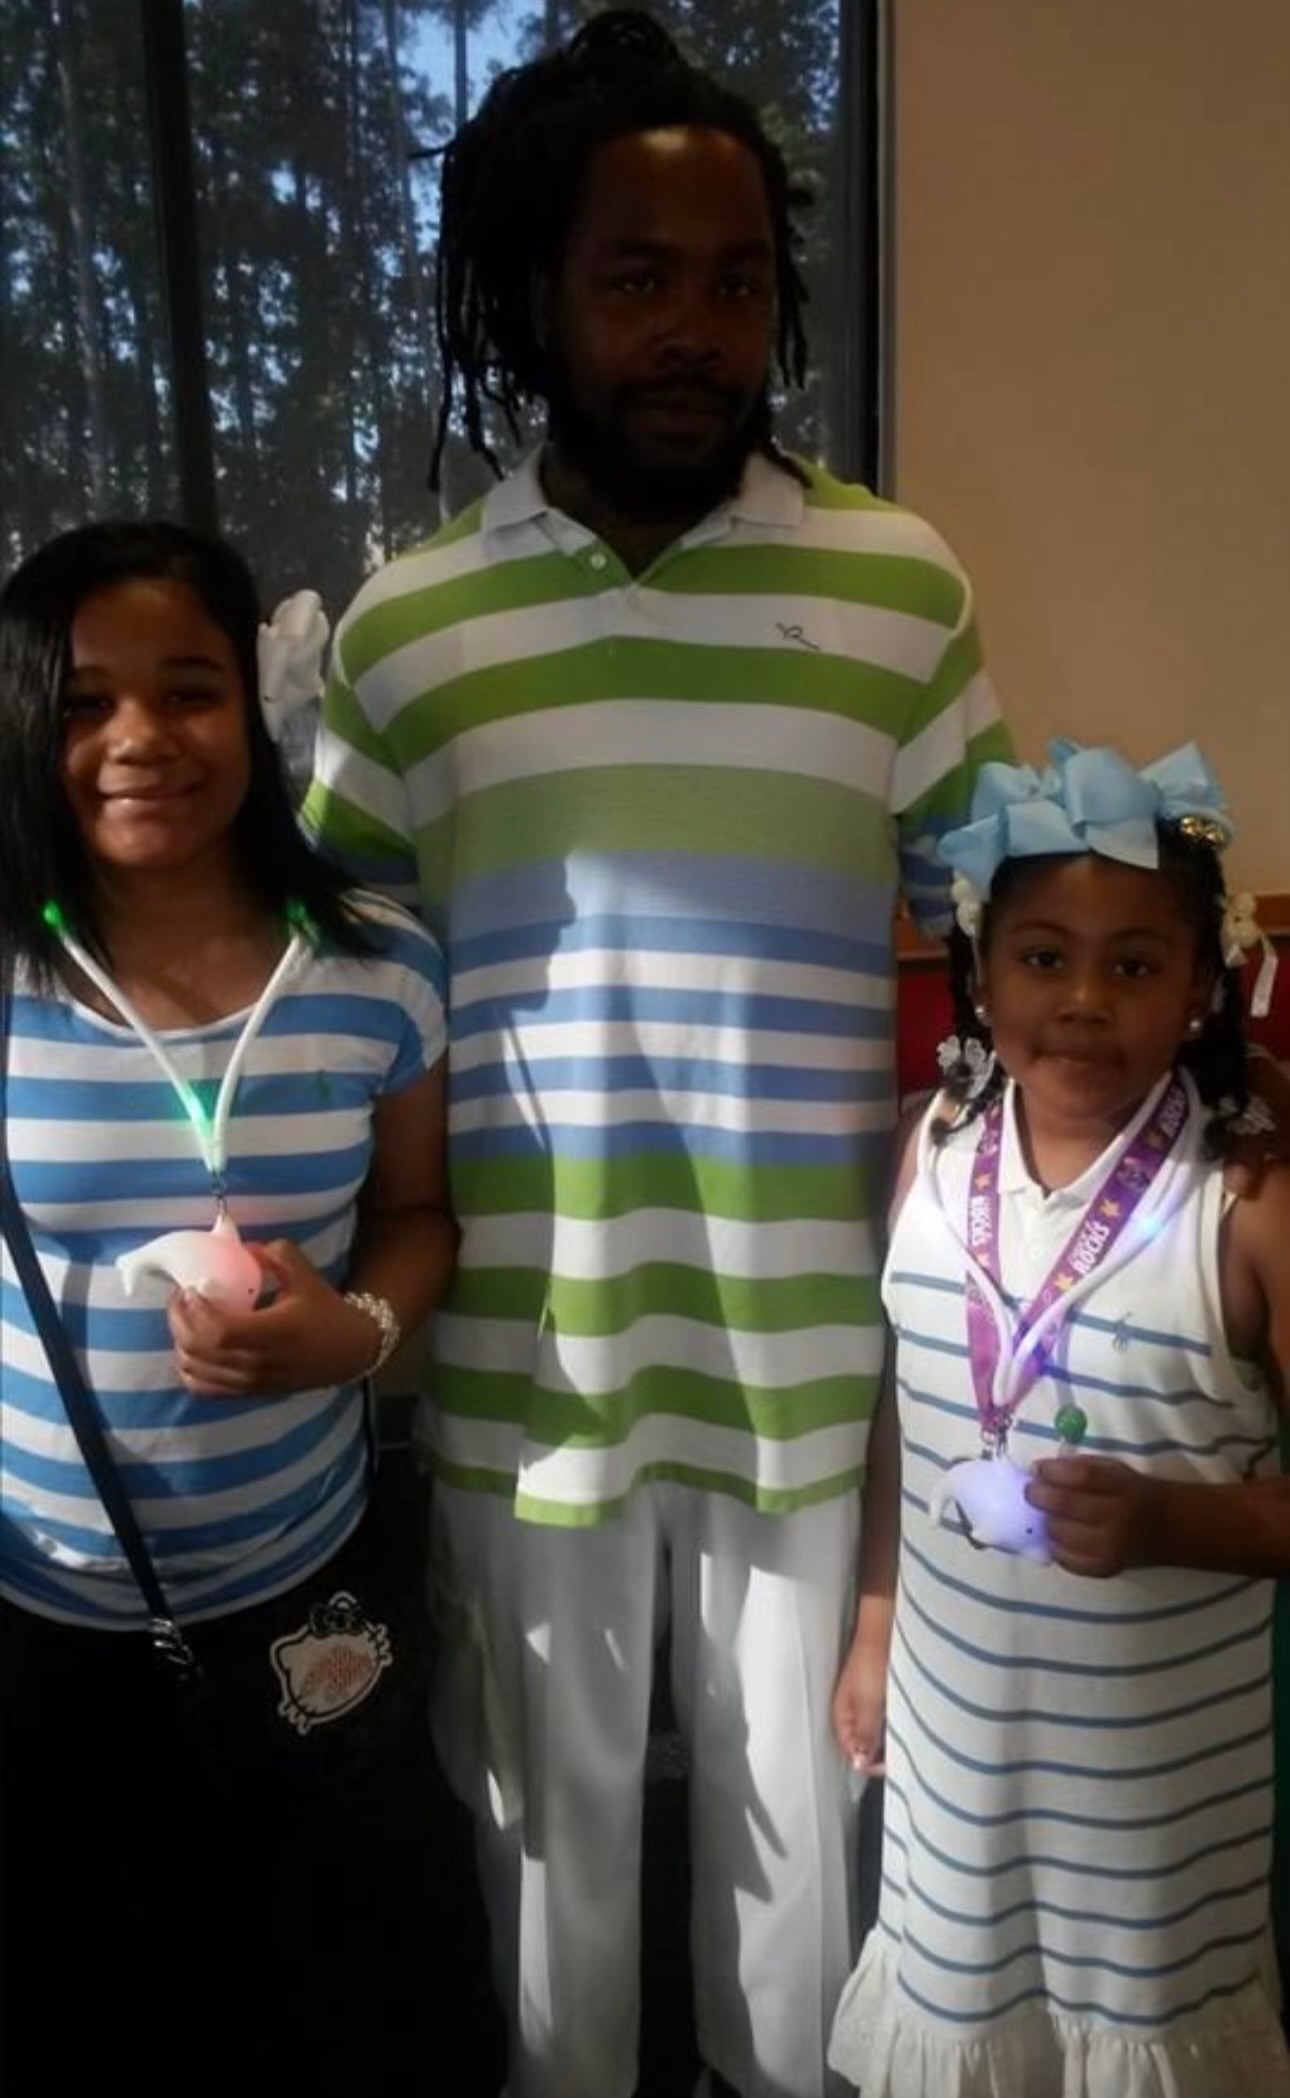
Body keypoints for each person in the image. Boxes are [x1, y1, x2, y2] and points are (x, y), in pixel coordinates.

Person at [303, 15, 1009, 2097]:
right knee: (551, 1869)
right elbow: (342, 990)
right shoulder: (412, 628)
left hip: (811, 1342)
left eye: (736, 282)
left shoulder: (897, 587)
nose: (696, 329)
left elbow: (1011, 945)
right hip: (530, 1348)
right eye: (637, 279)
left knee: (805, 1876)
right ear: (540, 293)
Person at [0, 521, 467, 2097]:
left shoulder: (378, 967)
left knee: (300, 1983)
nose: (141, 737)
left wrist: (361, 1338)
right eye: (83, 701)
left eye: (188, 689)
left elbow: (418, 1216)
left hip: (296, 1585)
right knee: (73, 1996)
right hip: (38, 1599)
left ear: (252, 713)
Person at [829, 742, 1290, 2098]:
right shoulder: (926, 1150)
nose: (1084, 999)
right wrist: (874, 1626)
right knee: (967, 2026)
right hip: (955, 1754)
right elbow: (907, 1418)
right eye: (1042, 958)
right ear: (979, 976)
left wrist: (1171, 1522)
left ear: (1201, 985)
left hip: (1154, 1795)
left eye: (1134, 965)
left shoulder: (1246, 1198)